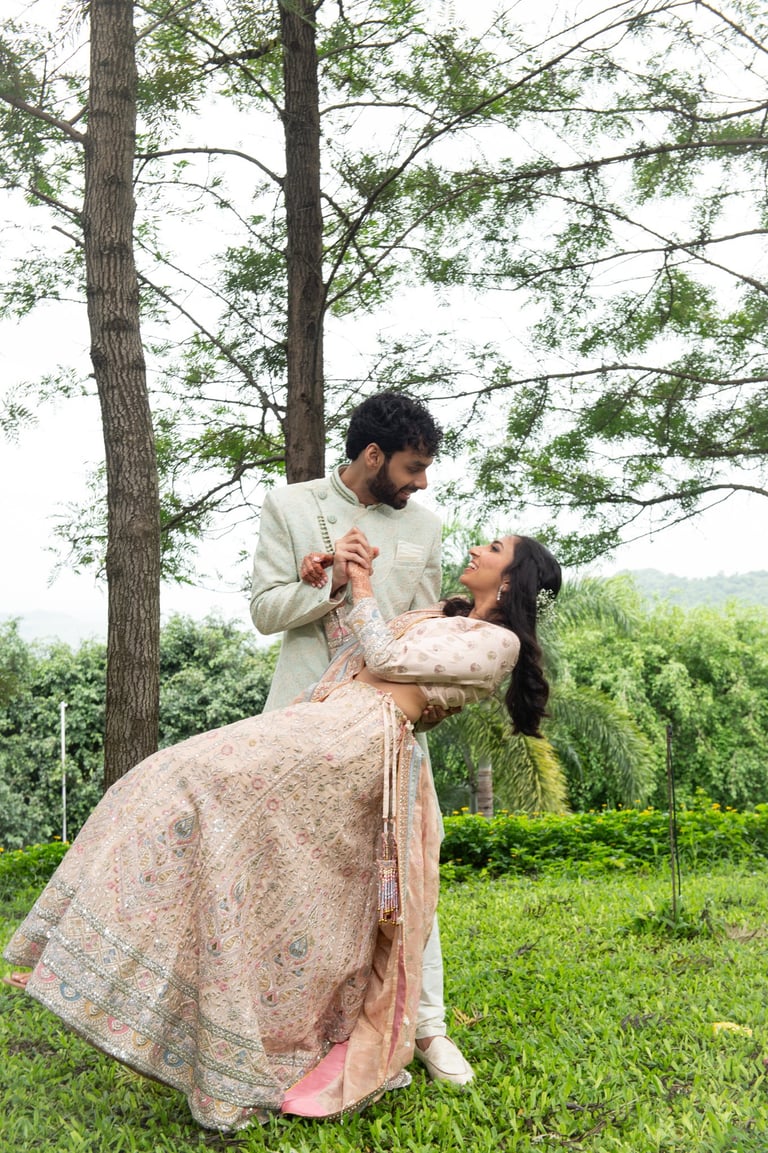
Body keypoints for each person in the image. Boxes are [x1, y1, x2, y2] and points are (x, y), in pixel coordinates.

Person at [3, 534, 561, 1133]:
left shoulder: (498, 642)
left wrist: (365, 586)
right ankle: (132, 969)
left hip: (357, 742)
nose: (477, 548)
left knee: (192, 785)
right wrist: (338, 579)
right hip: (329, 721)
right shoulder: (442, 616)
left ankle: (259, 1048)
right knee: (209, 824)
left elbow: (387, 660)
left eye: (494, 548)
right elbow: (355, 649)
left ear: (511, 578)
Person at [250, 391, 472, 1086]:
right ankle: (315, 1034)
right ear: (372, 455)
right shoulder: (290, 506)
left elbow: (424, 625)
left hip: (391, 727)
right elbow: (265, 611)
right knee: (303, 880)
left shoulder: (424, 526)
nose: (421, 482)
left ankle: (427, 1027)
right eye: (412, 467)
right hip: (303, 721)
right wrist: (331, 582)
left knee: (410, 873)